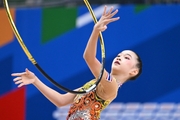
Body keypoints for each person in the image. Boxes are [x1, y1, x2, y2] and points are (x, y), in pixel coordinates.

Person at [11, 6, 142, 120]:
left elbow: (89, 58)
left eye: (127, 57)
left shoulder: (111, 87)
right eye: (119, 55)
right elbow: (61, 101)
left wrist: (96, 31)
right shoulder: (93, 84)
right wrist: (35, 80)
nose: (119, 57)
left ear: (133, 71)